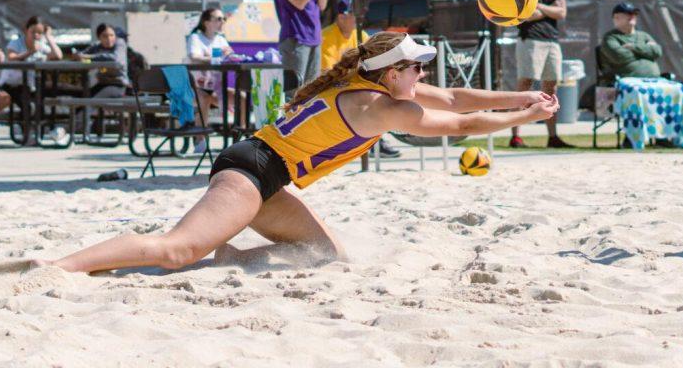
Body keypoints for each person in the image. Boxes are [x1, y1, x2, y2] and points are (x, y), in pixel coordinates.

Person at [43, 32, 560, 273]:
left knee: (321, 255)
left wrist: (519, 96)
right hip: (251, 170)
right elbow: (463, 122)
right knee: (177, 251)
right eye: (416, 67)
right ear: (390, 73)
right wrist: (526, 118)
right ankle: (59, 267)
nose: (423, 75)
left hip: (269, 177)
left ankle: (229, 255)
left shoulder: (373, 89)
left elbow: (453, 97)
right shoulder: (380, 107)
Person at [318, 0, 400, 159]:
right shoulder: (326, 37)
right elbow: (327, 72)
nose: (358, 19)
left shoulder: (360, 35)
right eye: (354, 15)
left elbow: (375, 60)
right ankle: (373, 141)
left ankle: (376, 139)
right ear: (341, 17)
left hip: (354, 83)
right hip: (332, 87)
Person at [509, 0, 571, 149]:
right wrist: (547, 9)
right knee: (525, 85)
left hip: (551, 39)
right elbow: (524, 15)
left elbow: (561, 12)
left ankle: (553, 137)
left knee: (550, 87)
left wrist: (540, 8)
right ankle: (516, 136)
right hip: (530, 39)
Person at [0, 15, 66, 145]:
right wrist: (29, 52)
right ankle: (26, 134)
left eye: (39, 33)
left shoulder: (41, 45)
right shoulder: (16, 42)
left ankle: (47, 132)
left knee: (40, 101)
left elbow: (58, 55)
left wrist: (49, 37)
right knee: (29, 105)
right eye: (33, 32)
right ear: (26, 30)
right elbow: (11, 57)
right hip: (10, 85)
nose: (36, 35)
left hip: (29, 85)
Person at [186, 8, 237, 151]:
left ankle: (239, 137)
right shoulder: (195, 38)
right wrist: (216, 58)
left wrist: (228, 55)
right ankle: (200, 141)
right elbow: (194, 57)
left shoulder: (221, 39)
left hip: (215, 88)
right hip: (195, 87)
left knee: (242, 97)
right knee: (204, 97)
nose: (222, 22)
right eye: (218, 19)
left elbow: (231, 57)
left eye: (223, 19)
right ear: (206, 22)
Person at [597, 1, 662, 84]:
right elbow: (620, 56)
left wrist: (633, 47)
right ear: (616, 18)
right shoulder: (610, 38)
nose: (632, 16)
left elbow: (657, 52)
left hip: (656, 83)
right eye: (628, 13)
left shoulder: (644, 35)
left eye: (634, 14)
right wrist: (647, 52)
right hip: (628, 86)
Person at [81, 23, 131, 97]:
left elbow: (115, 58)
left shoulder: (120, 43)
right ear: (99, 37)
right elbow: (83, 57)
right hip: (102, 83)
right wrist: (83, 58)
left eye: (111, 35)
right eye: (105, 36)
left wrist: (90, 57)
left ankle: (91, 108)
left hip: (118, 84)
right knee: (85, 97)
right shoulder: (97, 46)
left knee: (92, 102)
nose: (109, 39)